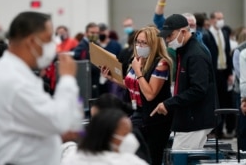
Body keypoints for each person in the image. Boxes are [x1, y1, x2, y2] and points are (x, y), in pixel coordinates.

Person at [0, 11, 83, 165]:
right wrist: (67, 78)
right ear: (31, 41)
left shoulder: (17, 73)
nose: (54, 45)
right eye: (48, 39)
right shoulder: (15, 81)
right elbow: (59, 120)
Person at [102, 26, 173, 165]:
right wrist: (112, 78)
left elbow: (150, 94)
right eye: (137, 42)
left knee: (151, 158)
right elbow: (133, 84)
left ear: (153, 44)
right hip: (138, 113)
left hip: (155, 119)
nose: (139, 46)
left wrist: (138, 71)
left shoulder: (161, 63)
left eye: (144, 43)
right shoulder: (138, 60)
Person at [151, 14, 217, 150]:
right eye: (166, 37)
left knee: (180, 157)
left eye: (170, 36)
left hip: (195, 120)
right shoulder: (184, 51)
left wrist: (169, 104)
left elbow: (198, 89)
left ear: (183, 32)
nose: (168, 40)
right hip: (189, 118)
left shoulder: (195, 54)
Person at [61, 110, 148, 165]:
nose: (130, 138)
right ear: (107, 135)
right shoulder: (130, 162)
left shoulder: (72, 157)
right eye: (125, 134)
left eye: (130, 133)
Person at [202, 11, 233, 138]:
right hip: (214, 72)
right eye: (219, 18)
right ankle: (214, 131)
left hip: (224, 71)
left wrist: (230, 73)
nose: (221, 21)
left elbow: (227, 53)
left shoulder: (224, 33)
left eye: (222, 18)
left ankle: (221, 131)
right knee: (215, 102)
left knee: (225, 102)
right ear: (212, 20)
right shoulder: (207, 35)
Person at [73, 22, 100, 98]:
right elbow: (82, 65)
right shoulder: (82, 47)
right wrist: (98, 67)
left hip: (95, 81)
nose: (95, 35)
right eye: (92, 32)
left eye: (97, 33)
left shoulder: (95, 44)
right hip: (86, 83)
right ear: (86, 33)